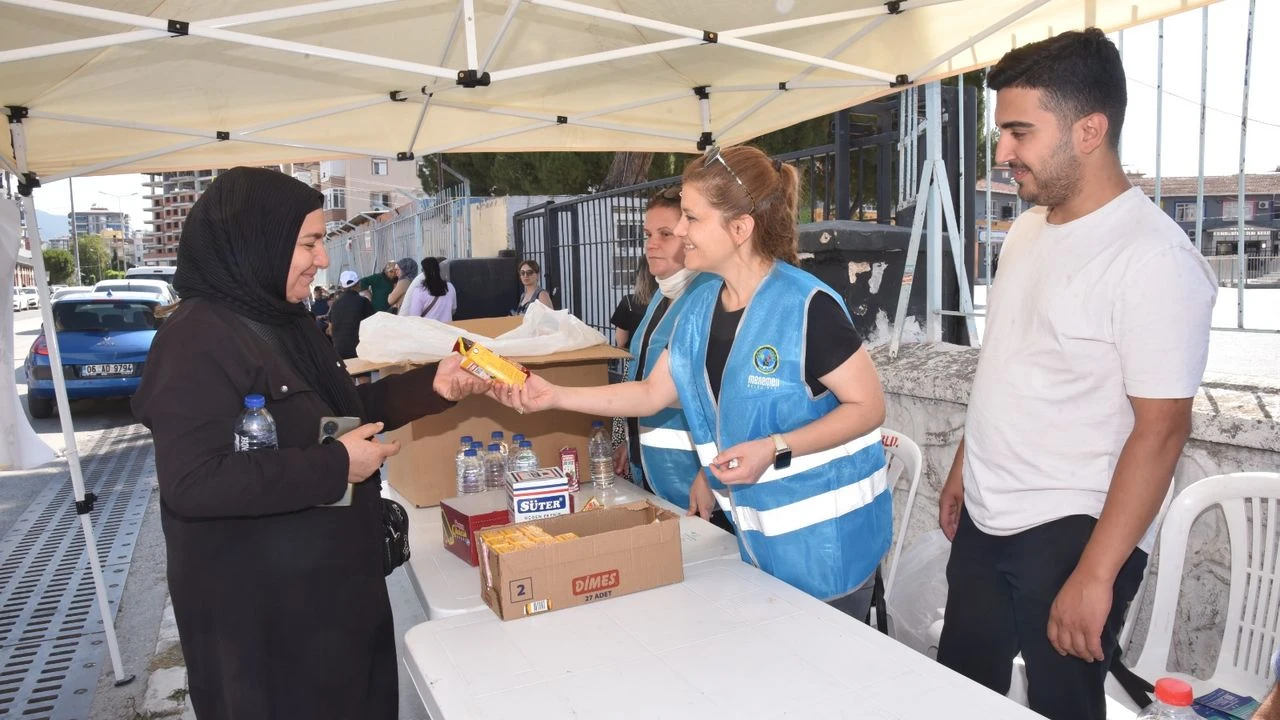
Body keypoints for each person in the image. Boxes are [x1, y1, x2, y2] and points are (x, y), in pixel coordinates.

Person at [130, 167, 490, 720]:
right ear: (257, 242)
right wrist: (335, 466)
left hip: (331, 604)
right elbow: (193, 483)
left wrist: (433, 386)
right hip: (267, 632)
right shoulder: (194, 341)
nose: (323, 260)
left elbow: (339, 418)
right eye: (309, 243)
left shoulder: (284, 320)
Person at [933, 29, 1217, 720]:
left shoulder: (1154, 261)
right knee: (958, 689)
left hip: (1073, 527)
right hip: (988, 512)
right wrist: (966, 465)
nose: (1002, 152)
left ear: (1090, 130)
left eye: (1019, 132)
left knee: (1063, 704)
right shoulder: (1029, 229)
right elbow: (1008, 360)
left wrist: (1096, 574)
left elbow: (1161, 431)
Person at [493, 145, 891, 618]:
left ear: (740, 229)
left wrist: (774, 447)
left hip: (830, 553)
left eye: (690, 218)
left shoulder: (809, 308)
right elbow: (652, 393)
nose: (680, 231)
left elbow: (869, 408)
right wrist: (553, 395)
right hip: (759, 547)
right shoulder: (701, 308)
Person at [327, 270, 374, 359]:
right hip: (359, 350)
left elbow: (330, 330)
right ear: (357, 284)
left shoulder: (335, 304)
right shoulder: (363, 301)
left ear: (343, 287)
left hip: (339, 351)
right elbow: (372, 326)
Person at [610, 263, 654, 349]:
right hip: (663, 357)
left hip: (635, 356)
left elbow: (621, 341)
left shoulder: (628, 301)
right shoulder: (669, 301)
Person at [403, 257, 457, 322]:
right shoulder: (450, 287)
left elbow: (414, 316)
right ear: (439, 269)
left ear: (424, 272)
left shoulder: (419, 291)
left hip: (428, 330)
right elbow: (453, 310)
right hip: (447, 329)